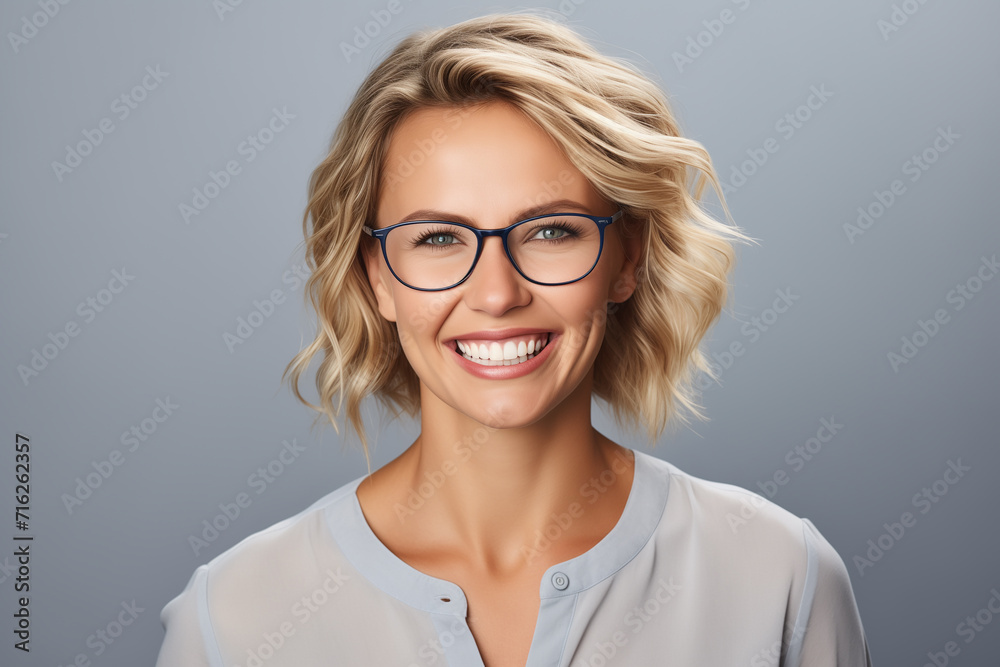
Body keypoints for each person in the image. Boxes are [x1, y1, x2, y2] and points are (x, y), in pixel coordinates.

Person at [156, 11, 872, 667]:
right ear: (378, 277)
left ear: (626, 259)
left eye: (551, 231)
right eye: (437, 237)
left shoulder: (780, 578)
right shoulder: (233, 618)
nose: (497, 293)